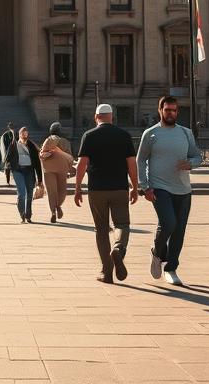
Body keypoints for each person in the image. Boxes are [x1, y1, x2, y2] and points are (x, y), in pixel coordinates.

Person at [138, 95, 202, 286]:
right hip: (159, 187)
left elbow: (198, 157)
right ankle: (158, 252)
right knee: (168, 224)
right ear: (160, 111)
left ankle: (171, 268)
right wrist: (145, 186)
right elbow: (141, 160)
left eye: (174, 110)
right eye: (167, 110)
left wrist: (190, 164)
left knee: (179, 231)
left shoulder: (186, 133)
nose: (171, 113)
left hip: (183, 189)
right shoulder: (150, 134)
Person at [74, 104, 138, 283]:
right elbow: (132, 164)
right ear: (112, 117)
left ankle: (107, 271)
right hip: (119, 188)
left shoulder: (89, 136)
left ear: (96, 118)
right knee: (122, 224)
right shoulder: (123, 135)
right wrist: (134, 186)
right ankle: (118, 249)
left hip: (97, 189)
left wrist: (78, 188)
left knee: (101, 230)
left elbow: (82, 164)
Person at [5, 127, 43, 223]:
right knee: (22, 193)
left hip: (29, 171)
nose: (25, 135)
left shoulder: (31, 146)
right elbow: (7, 159)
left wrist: (40, 179)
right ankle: (22, 214)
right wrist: (8, 174)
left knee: (29, 194)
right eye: (23, 133)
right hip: (18, 171)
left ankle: (28, 215)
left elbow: (37, 163)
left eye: (26, 133)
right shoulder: (14, 145)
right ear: (19, 134)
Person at [39, 123, 74, 223]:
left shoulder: (48, 140)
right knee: (62, 190)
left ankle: (53, 212)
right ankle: (58, 206)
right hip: (62, 169)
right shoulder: (65, 142)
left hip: (48, 169)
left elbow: (42, 154)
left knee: (51, 192)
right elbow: (70, 158)